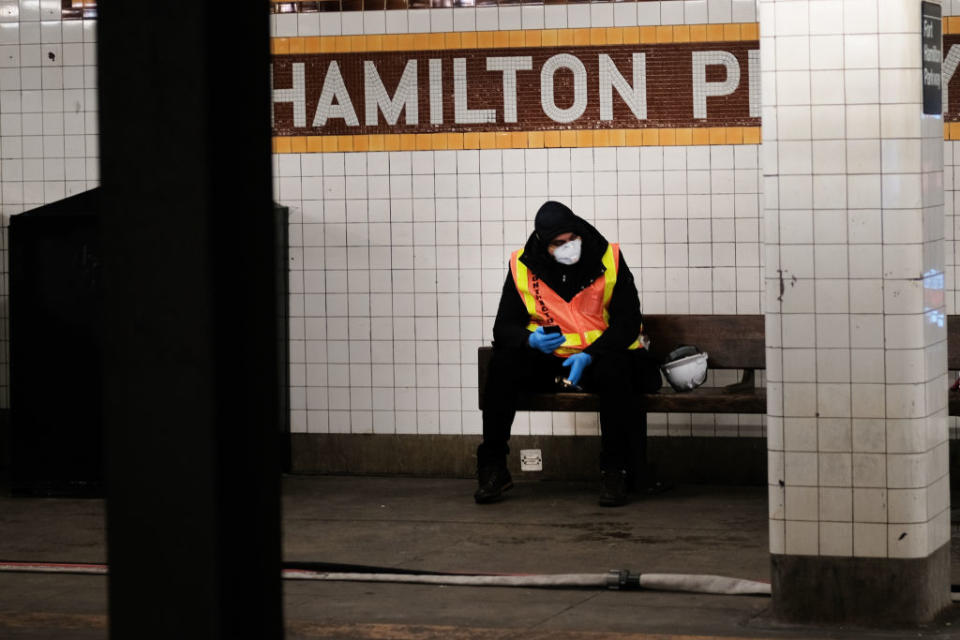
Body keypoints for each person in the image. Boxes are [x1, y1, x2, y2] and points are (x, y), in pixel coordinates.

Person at [476, 201, 662, 507]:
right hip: (551, 362)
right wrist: (529, 340)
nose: (568, 248)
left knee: (617, 370)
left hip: (597, 359)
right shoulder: (523, 265)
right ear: (542, 244)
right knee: (502, 364)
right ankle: (493, 467)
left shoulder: (608, 257)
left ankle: (615, 470)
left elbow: (628, 322)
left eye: (572, 239)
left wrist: (592, 354)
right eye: (558, 244)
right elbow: (503, 327)